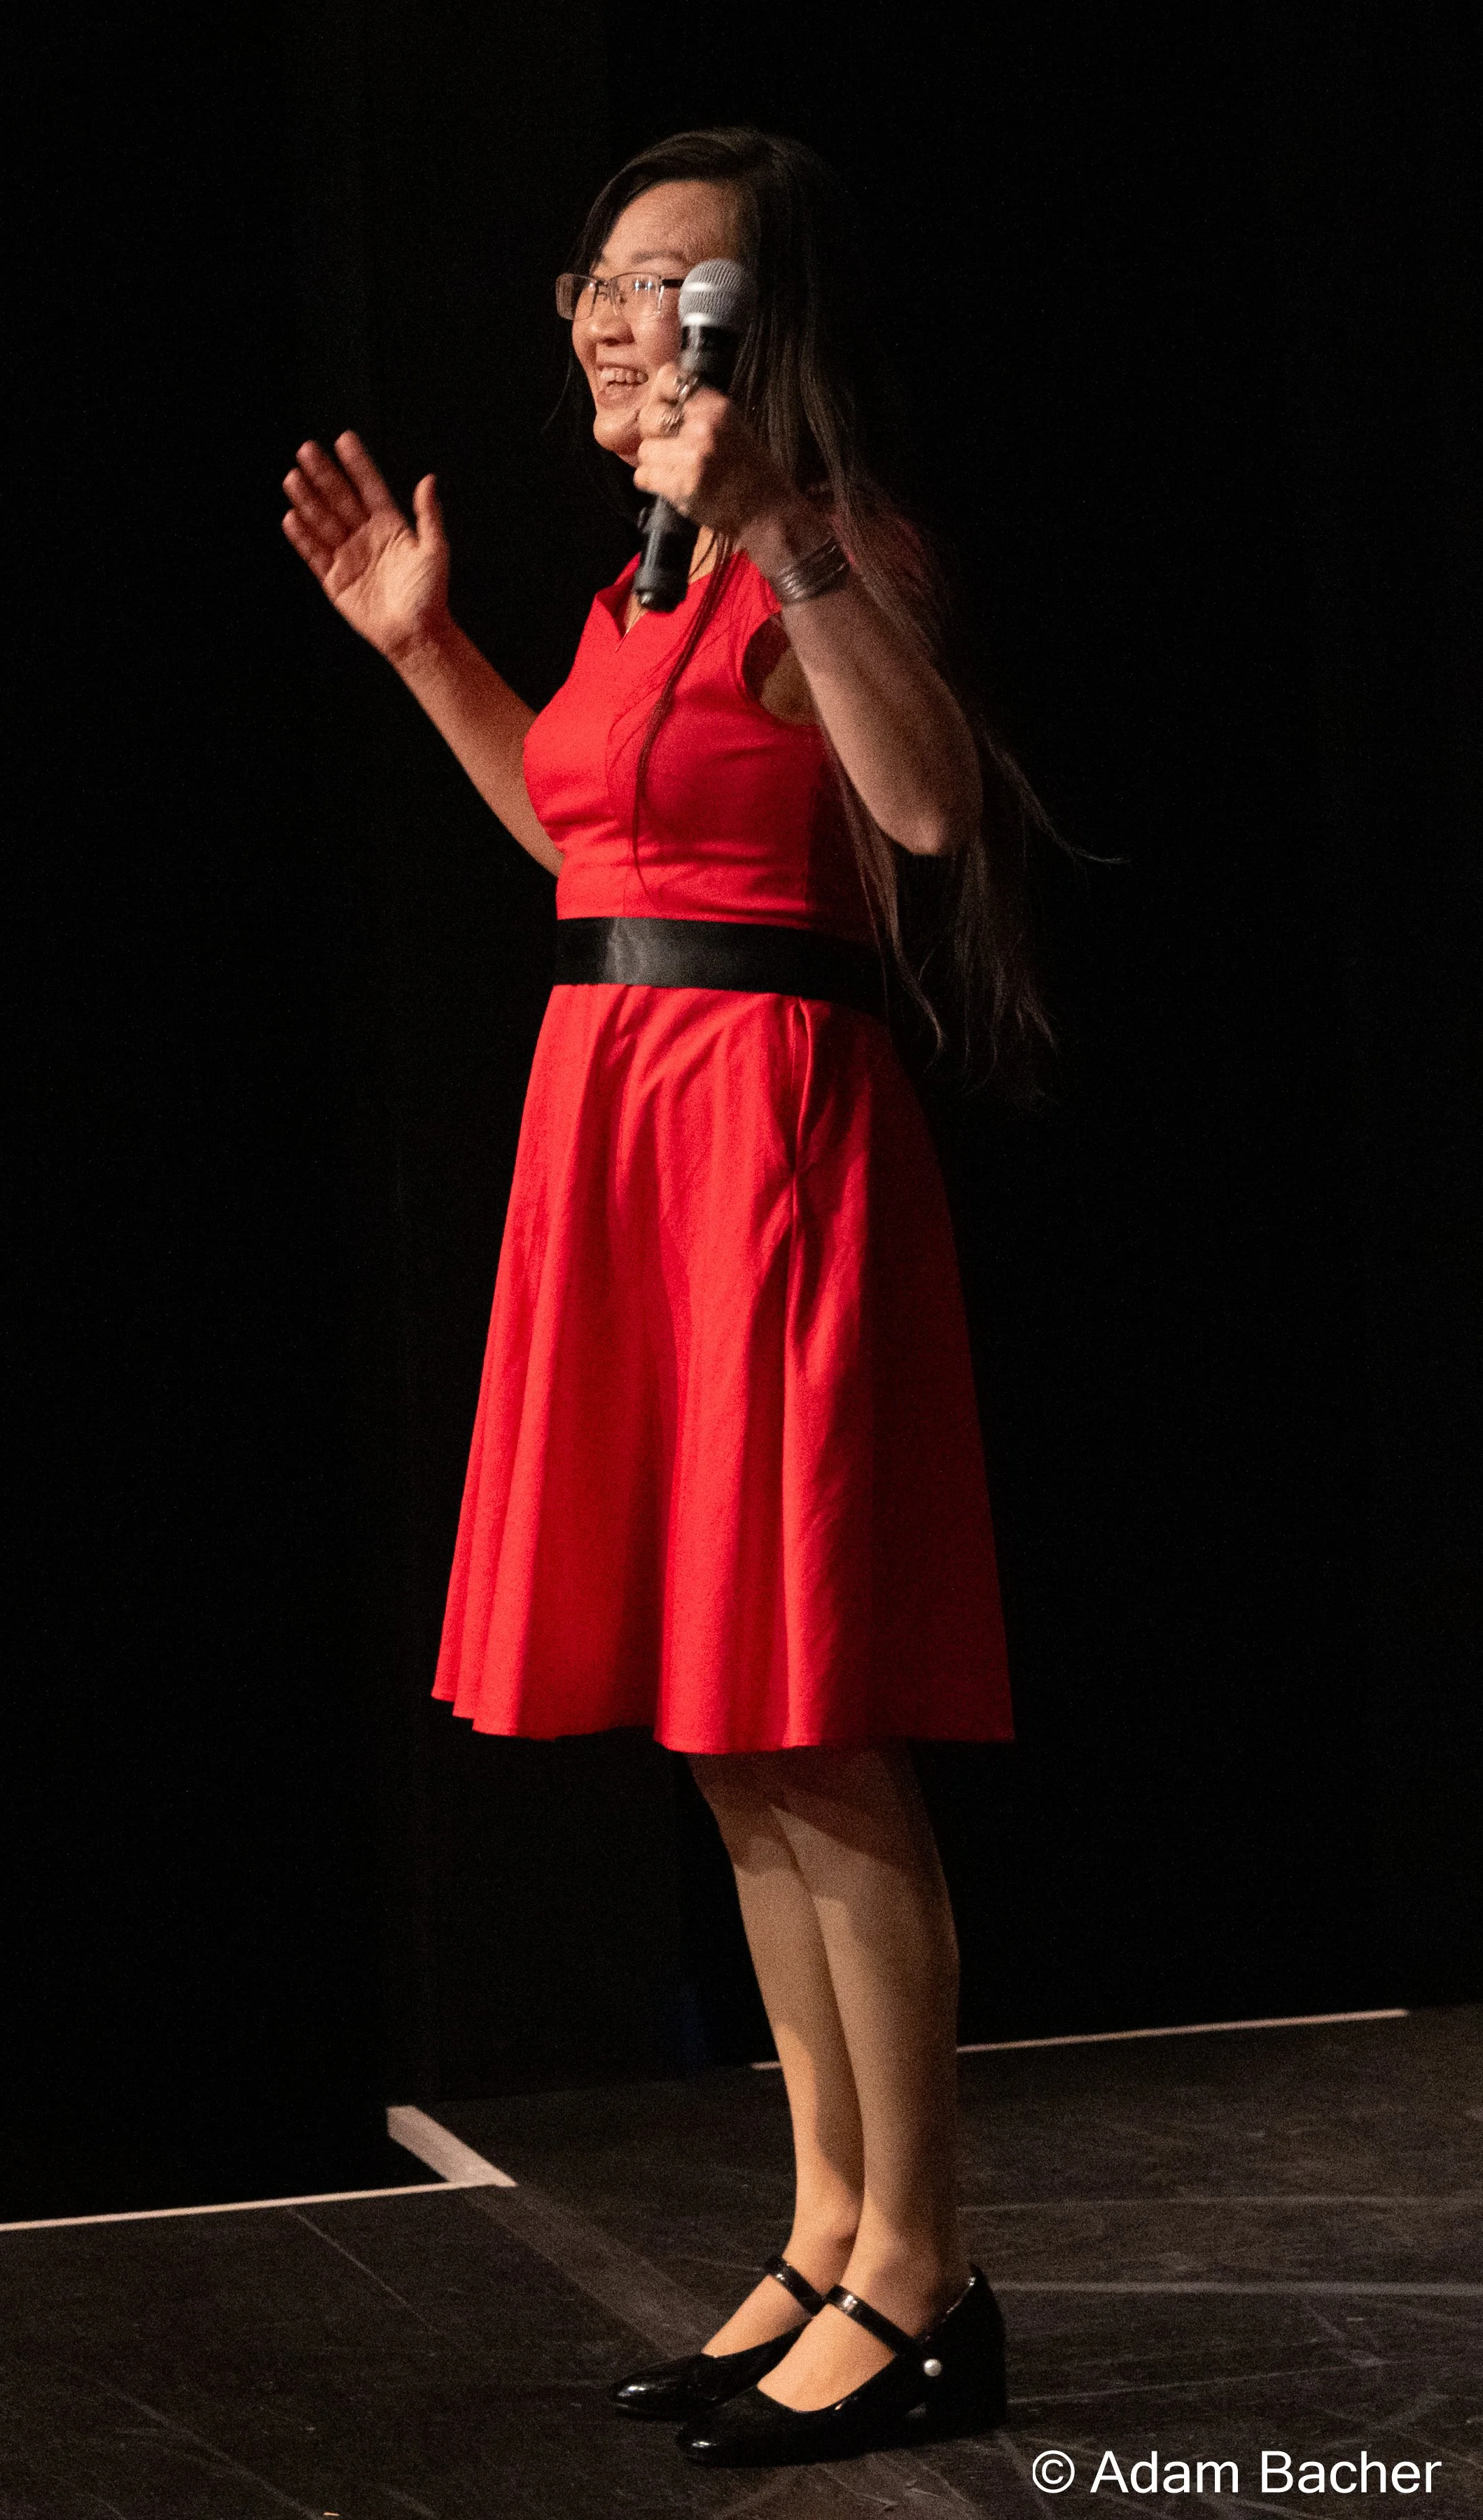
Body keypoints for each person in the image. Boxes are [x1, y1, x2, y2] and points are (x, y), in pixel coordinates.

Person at [282, 126, 1049, 2471]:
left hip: (771, 1135)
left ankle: (927, 2276)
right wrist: (429, 647)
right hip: (626, 1120)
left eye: (672, 288)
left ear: (761, 329)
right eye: (604, 283)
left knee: (816, 1714)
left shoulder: (829, 547)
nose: (621, 320)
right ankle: (828, 2233)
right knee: (727, 1725)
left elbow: (919, 816)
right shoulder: (635, 584)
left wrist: (790, 527)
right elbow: (589, 838)